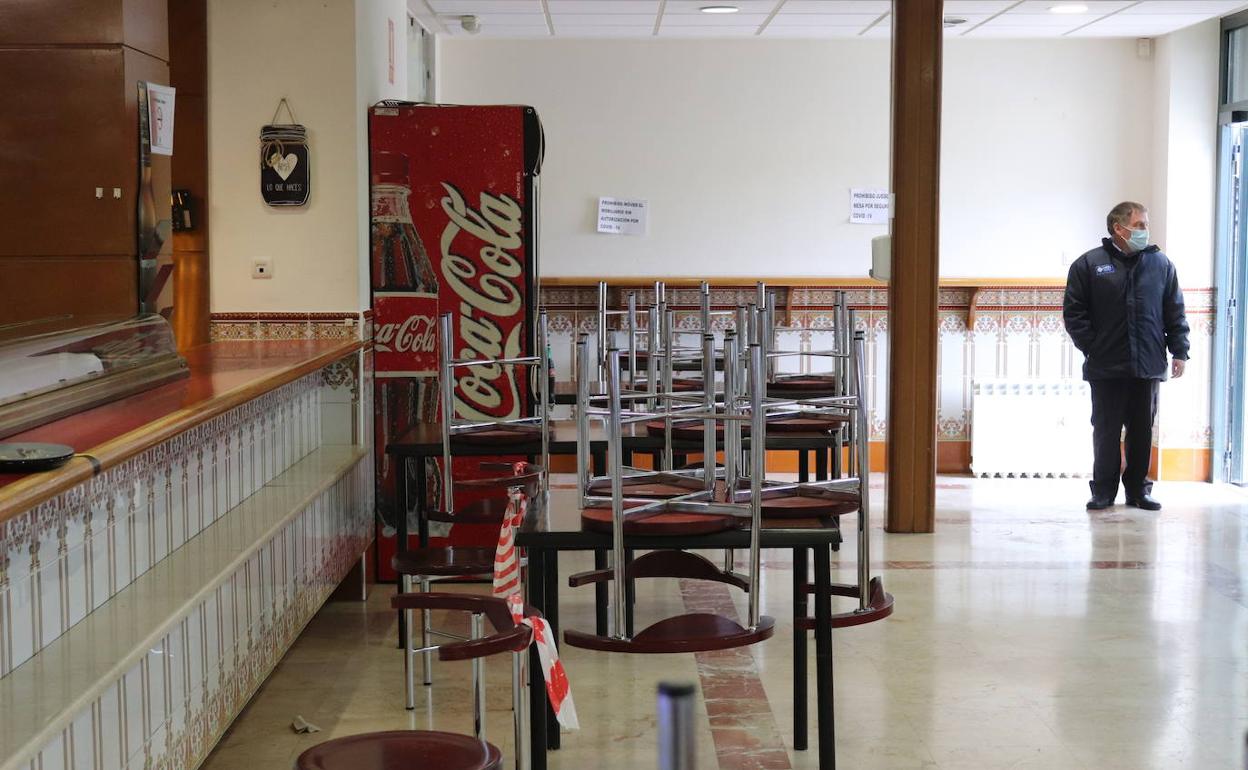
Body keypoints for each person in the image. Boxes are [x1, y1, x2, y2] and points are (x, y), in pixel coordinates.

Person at [1062, 201, 1189, 511]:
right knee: (1105, 431)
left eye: (1146, 224)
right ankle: (1103, 491)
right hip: (1106, 366)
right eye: (1140, 225)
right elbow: (1074, 314)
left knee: (1142, 431)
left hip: (1147, 365)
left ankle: (1138, 491)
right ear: (1119, 228)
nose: (1145, 231)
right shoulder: (1088, 265)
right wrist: (1093, 346)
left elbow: (1174, 310)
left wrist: (1180, 350)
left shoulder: (1161, 265)